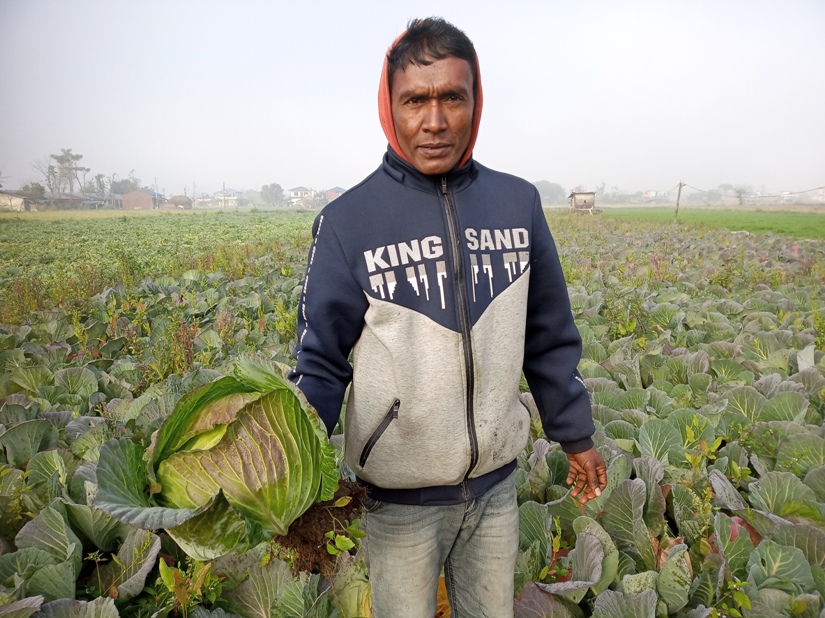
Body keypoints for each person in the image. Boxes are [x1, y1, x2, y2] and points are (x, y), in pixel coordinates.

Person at [289, 17, 607, 618]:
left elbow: (548, 334)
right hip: (397, 502)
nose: (434, 122)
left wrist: (576, 434)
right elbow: (319, 363)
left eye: (450, 98)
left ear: (474, 103)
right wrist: (287, 470)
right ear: (390, 107)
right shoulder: (349, 222)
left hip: (495, 491)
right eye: (415, 100)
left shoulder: (518, 204)